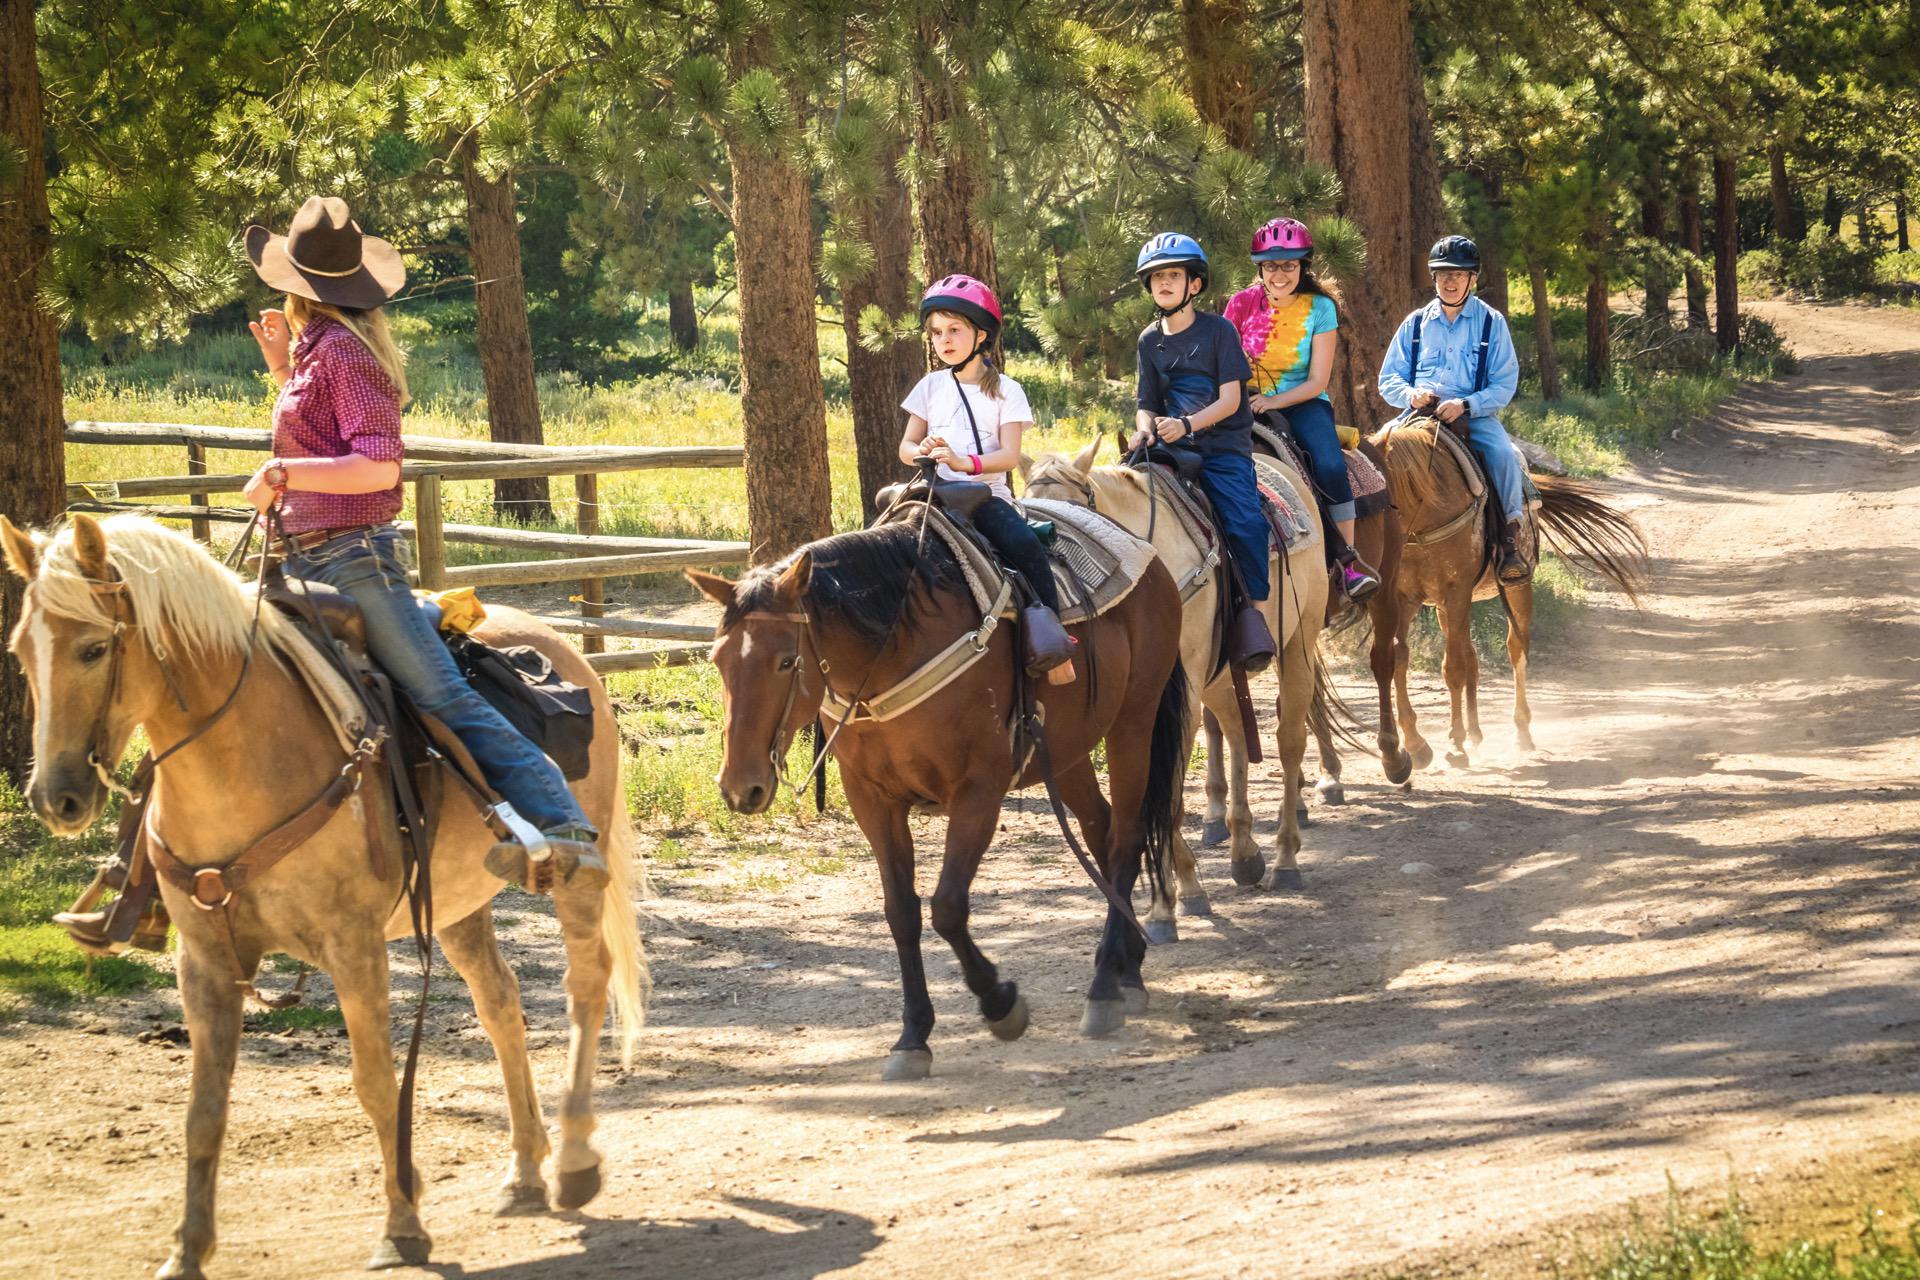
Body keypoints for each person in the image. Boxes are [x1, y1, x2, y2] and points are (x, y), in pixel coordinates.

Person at [240, 195, 605, 893]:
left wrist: (284, 472)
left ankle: (564, 825)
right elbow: (326, 433)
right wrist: (284, 370)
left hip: (350, 558)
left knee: (443, 696)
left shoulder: (344, 353)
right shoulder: (322, 350)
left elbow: (379, 466)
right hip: (310, 554)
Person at [898, 274, 1076, 680]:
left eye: (954, 330)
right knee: (876, 541)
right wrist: (919, 452)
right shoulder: (929, 386)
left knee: (1024, 546)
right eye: (937, 332)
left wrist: (965, 464)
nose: (944, 340)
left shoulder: (1007, 391)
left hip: (984, 498)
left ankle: (1053, 643)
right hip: (930, 495)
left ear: (981, 335)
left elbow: (1010, 457)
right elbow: (905, 446)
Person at [1128, 232, 1277, 668]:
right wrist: (1145, 430)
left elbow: (1231, 399)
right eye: (1157, 278)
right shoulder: (1148, 339)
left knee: (1247, 522)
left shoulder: (1219, 331)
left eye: (1174, 275)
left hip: (1220, 446)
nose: (1165, 284)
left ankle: (1256, 619)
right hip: (1170, 445)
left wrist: (1188, 424)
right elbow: (1145, 403)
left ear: (1194, 284)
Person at [1222, 217, 1380, 603]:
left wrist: (1272, 401)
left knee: (1328, 464)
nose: (1280, 274)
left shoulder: (1321, 308)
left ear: (1302, 267)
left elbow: (1317, 381)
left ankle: (1348, 564)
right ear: (1260, 268)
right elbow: (1221, 363)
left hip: (1303, 403)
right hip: (1242, 403)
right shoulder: (1240, 304)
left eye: (1289, 265)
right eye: (1272, 266)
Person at [1378, 235, 1529, 584]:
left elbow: (1504, 383)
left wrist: (1466, 404)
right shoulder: (1415, 323)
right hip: (1416, 417)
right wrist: (1411, 395)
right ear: (1433, 278)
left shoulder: (1492, 323)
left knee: (1503, 455)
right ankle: (1369, 543)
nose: (1450, 281)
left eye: (1458, 275)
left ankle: (1509, 540)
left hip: (1472, 417)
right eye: (1443, 274)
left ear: (1472, 279)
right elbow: (1388, 380)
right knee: (1375, 453)